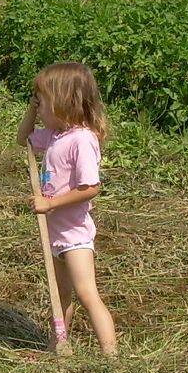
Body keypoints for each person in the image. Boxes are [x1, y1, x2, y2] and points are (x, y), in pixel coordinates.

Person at [18, 62, 119, 356]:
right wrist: (31, 110)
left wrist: (50, 203)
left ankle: (111, 356)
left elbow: (90, 187)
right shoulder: (55, 135)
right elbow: (23, 139)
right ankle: (59, 345)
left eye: (44, 102)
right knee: (60, 295)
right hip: (54, 233)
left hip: (74, 235)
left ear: (63, 102)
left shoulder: (82, 140)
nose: (40, 108)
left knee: (87, 294)